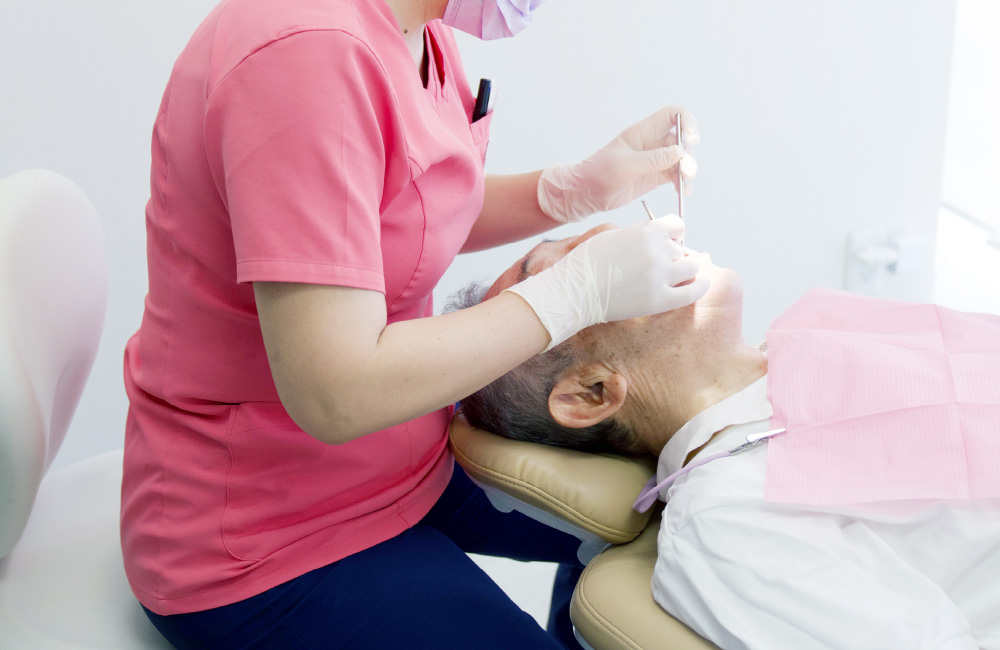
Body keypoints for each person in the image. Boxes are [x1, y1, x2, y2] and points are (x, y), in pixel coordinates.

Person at [119, 0, 713, 647]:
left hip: (404, 449)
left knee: (673, 518)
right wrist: (573, 294)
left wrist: (568, 192)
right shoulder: (305, 54)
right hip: (270, 533)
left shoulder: (414, 24)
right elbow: (335, 392)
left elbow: (396, 210)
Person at [455, 228, 1000, 649]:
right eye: (569, 270)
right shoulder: (729, 519)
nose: (611, 235)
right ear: (591, 393)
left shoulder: (813, 343)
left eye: (581, 234)